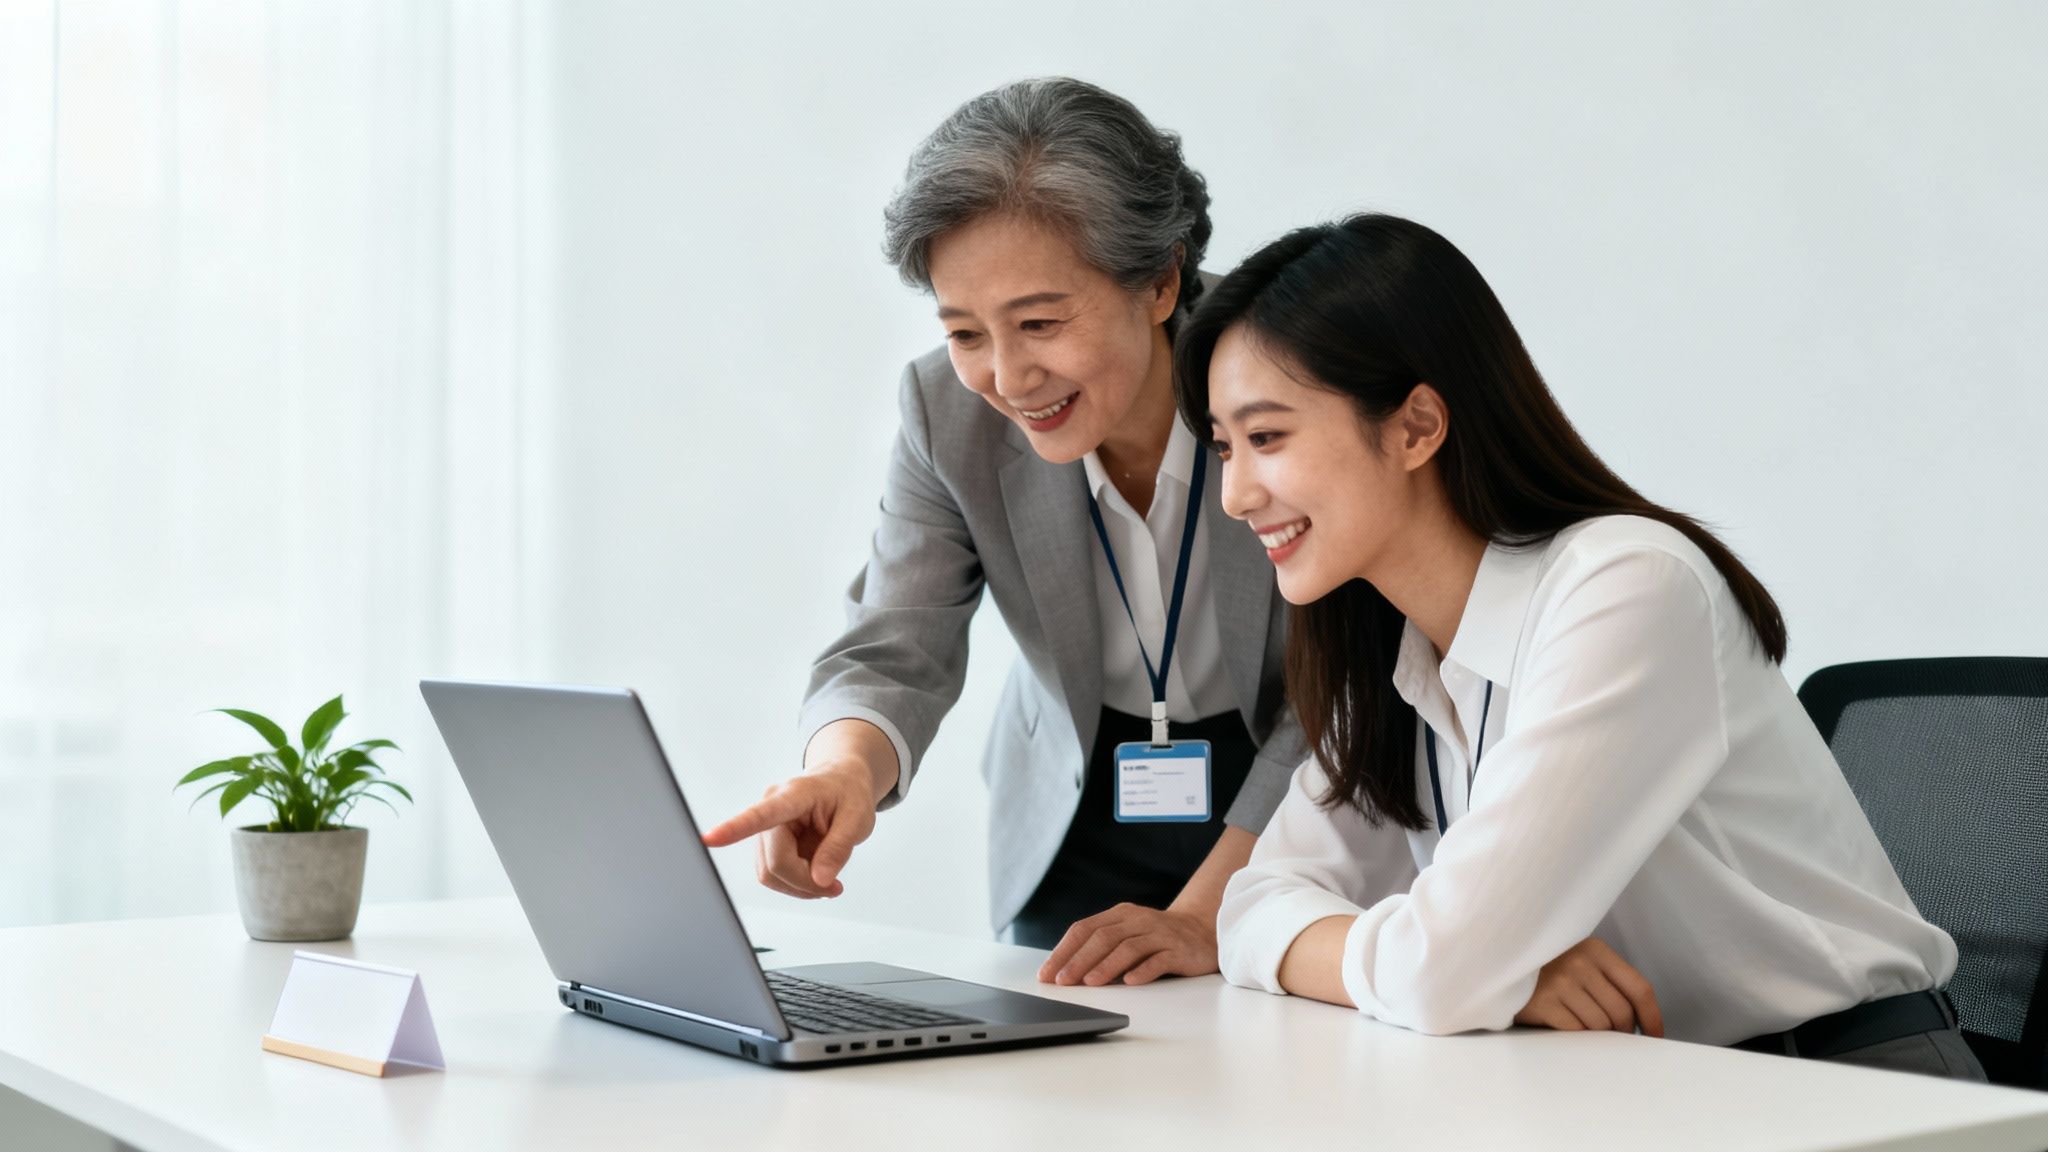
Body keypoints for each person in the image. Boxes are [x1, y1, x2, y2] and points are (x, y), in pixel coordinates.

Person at [1181, 213, 1983, 1080]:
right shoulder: (1388, 638)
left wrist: (1470, 968)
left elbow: (1446, 966)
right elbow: (1252, 905)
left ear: (1416, 426)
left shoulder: (1625, 590)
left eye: (1267, 439)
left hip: (1849, 1088)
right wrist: (1491, 974)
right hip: (1649, 1083)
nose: (1234, 495)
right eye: (1224, 447)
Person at [702, 78, 1306, 985]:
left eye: (1040, 323)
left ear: (1160, 281)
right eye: (965, 330)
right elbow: (895, 643)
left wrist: (1204, 916)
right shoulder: (945, 412)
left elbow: (1341, 684)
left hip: (1287, 794)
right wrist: (845, 772)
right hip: (1073, 801)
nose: (1008, 375)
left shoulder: (1293, 376)